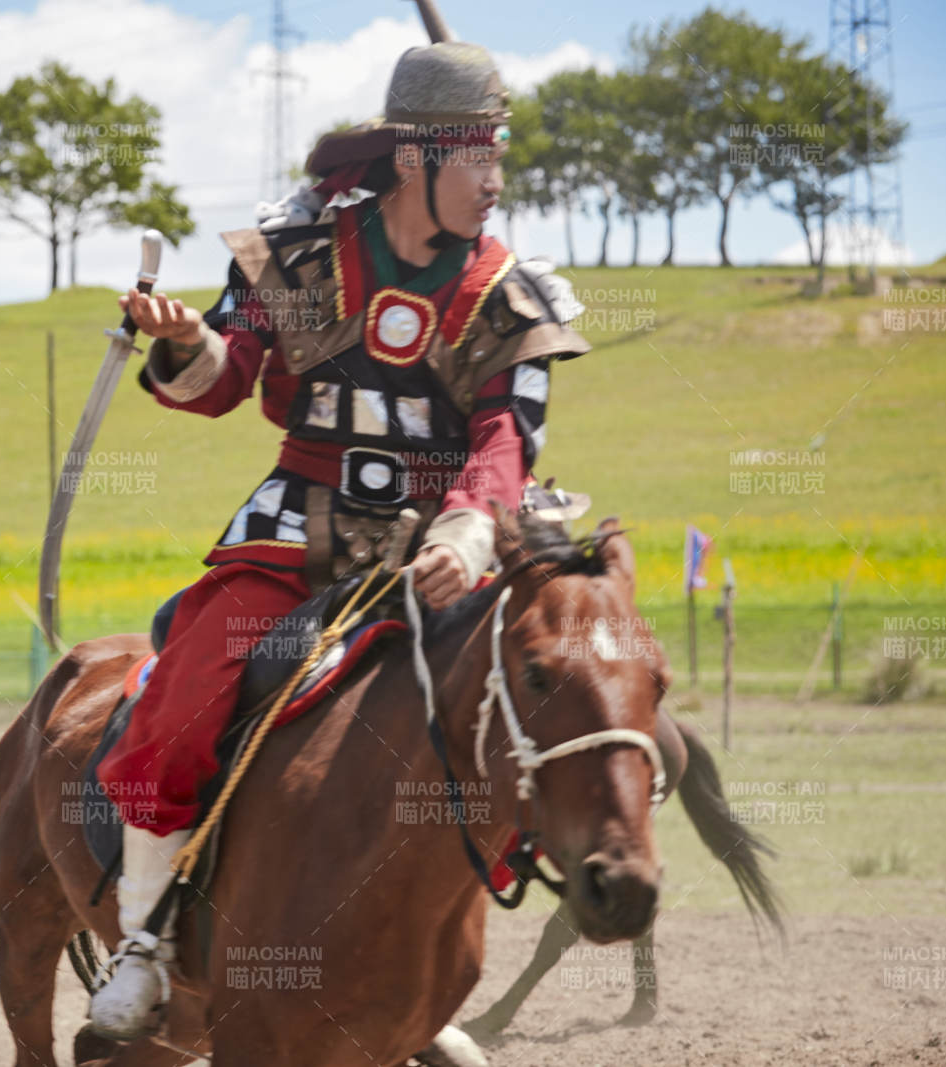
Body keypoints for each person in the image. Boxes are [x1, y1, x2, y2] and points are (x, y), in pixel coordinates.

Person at [88, 41, 590, 1038]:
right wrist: (186, 342)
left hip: (438, 557)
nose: (494, 183)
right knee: (185, 696)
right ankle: (143, 939)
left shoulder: (510, 293)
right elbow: (223, 381)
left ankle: (418, 972)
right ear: (416, 160)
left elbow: (505, 441)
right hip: (292, 538)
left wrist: (464, 532)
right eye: (476, 160)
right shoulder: (303, 256)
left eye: (500, 160)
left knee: (534, 703)